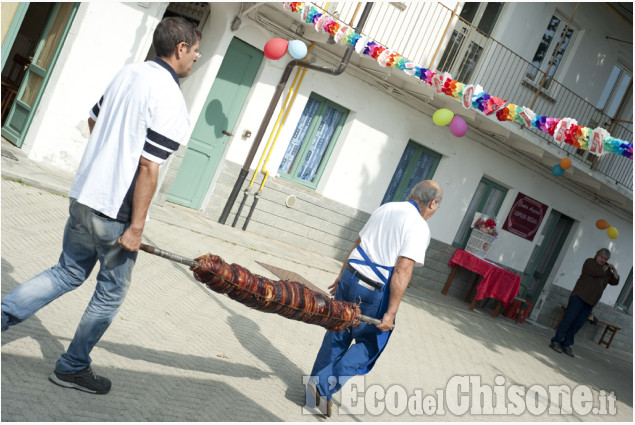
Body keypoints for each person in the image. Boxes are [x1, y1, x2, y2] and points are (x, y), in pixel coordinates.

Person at [1, 16, 201, 394]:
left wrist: (107, 160)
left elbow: (94, 121)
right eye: (195, 50)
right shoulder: (171, 98)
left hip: (84, 194)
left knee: (66, 272)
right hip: (116, 211)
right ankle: (73, 366)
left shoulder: (128, 74)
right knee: (110, 293)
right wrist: (137, 227)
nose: (196, 57)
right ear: (180, 49)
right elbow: (147, 165)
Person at [306, 180, 443, 416]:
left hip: (350, 277)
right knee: (370, 345)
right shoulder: (419, 226)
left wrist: (341, 277)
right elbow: (402, 269)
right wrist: (390, 313)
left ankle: (314, 394)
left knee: (337, 333)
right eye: (436, 207)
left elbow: (358, 244)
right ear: (432, 203)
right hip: (372, 291)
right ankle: (323, 386)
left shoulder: (386, 207)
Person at [550, 248, 619, 357]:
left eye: (606, 259)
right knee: (568, 319)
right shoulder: (590, 263)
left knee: (577, 324)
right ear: (597, 255)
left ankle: (566, 344)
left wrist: (614, 270)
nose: (603, 260)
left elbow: (615, 281)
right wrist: (605, 269)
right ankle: (556, 341)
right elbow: (597, 273)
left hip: (591, 302)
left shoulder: (606, 270)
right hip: (579, 297)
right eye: (601, 257)